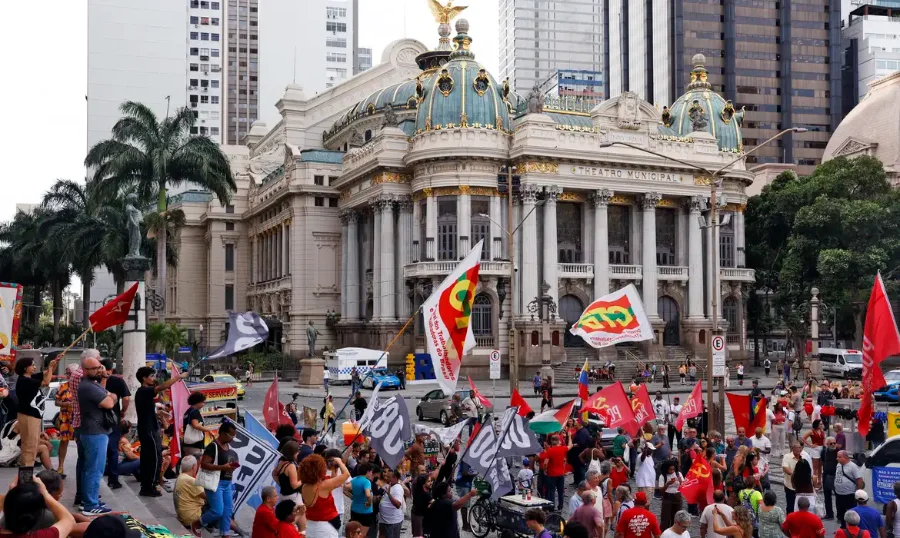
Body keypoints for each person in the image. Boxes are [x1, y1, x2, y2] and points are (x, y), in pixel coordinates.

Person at [134, 366, 186, 497]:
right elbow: (161, 387)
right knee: (155, 458)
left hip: (149, 428)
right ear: (144, 378)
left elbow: (147, 409)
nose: (153, 379)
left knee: (149, 458)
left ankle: (147, 485)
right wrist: (178, 377)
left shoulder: (143, 393)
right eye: (151, 376)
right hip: (148, 430)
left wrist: (158, 413)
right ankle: (150, 486)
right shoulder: (144, 391)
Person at [77, 354, 117, 516]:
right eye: (95, 368)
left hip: (93, 431)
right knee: (95, 469)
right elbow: (109, 401)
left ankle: (88, 500)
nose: (99, 370)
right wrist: (110, 397)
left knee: (90, 468)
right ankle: (90, 505)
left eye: (100, 367)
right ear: (85, 370)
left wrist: (109, 395)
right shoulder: (87, 386)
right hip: (94, 432)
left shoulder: (93, 384)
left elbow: (108, 395)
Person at [15, 356, 59, 480]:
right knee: (29, 447)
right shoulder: (25, 381)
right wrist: (50, 367)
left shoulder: (30, 378)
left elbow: (45, 373)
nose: (34, 367)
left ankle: (26, 478)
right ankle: (25, 480)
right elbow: (46, 382)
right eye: (32, 365)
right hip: (28, 417)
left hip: (33, 417)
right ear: (25, 368)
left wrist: (54, 363)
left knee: (33, 446)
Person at [199, 421, 241, 537]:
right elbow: (204, 464)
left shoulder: (228, 447)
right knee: (218, 511)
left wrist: (231, 467)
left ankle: (225, 534)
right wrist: (222, 467)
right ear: (222, 433)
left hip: (227, 482)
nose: (232, 438)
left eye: (234, 435)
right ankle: (198, 523)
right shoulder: (213, 446)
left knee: (227, 512)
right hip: (215, 483)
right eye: (230, 435)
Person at [0, 476, 76, 538]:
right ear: (38, 517)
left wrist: (11, 494)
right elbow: (69, 520)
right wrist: (45, 494)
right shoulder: (42, 535)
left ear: (4, 509)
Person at [300, 453, 350, 538]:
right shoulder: (323, 486)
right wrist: (340, 462)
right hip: (325, 529)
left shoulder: (305, 486)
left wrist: (334, 469)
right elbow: (346, 474)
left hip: (311, 526)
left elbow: (333, 482)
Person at [100, 359, 130, 490]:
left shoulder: (94, 381)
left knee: (99, 450)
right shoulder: (118, 381)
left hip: (98, 420)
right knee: (113, 450)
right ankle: (113, 479)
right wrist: (123, 411)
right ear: (111, 369)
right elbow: (127, 398)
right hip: (113, 420)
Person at [52, 366, 76, 479]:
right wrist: (65, 404)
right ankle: (60, 466)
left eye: (70, 373)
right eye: (67, 373)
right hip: (65, 417)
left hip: (77, 417)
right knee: (63, 441)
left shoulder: (81, 386)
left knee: (81, 442)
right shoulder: (63, 386)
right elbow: (56, 402)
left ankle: (82, 467)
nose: (68, 375)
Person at [538, 433, 572, 511]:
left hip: (552, 474)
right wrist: (569, 436)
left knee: (551, 491)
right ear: (558, 441)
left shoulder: (549, 451)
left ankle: (552, 507)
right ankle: (560, 506)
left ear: (551, 441)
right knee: (560, 491)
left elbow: (546, 463)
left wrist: (545, 470)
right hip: (560, 474)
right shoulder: (562, 448)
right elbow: (570, 445)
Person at [174, 455, 206, 534]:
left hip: (183, 515)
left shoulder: (180, 476)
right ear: (194, 467)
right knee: (218, 508)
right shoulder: (191, 480)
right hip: (191, 517)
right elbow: (208, 497)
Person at [834, 450, 865, 527]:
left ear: (845, 457)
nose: (837, 458)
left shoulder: (853, 466)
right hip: (839, 493)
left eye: (839, 457)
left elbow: (859, 481)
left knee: (851, 512)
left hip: (850, 494)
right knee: (841, 511)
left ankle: (852, 528)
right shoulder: (838, 465)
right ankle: (843, 527)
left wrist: (858, 494)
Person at [782, 443, 812, 515]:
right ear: (792, 449)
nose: (798, 449)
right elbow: (785, 468)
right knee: (790, 505)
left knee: (802, 505)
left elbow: (808, 469)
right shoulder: (787, 456)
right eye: (796, 448)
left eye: (799, 448)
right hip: (789, 485)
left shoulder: (804, 457)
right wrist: (795, 475)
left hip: (802, 488)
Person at [183, 392, 214, 459]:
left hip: (187, 444)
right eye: (203, 402)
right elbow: (195, 425)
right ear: (198, 402)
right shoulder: (195, 412)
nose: (204, 404)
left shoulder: (188, 411)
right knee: (194, 466)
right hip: (195, 445)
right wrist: (208, 430)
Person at [657, 461, 683, 529]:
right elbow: (661, 490)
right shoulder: (662, 476)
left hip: (677, 497)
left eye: (673, 469)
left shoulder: (678, 474)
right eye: (670, 469)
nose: (672, 471)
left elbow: (683, 485)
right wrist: (668, 484)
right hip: (667, 497)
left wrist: (680, 481)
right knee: (665, 517)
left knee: (676, 516)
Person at [455, 458, 477, 532]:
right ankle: (465, 525)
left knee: (466, 505)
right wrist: (474, 474)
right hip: (463, 483)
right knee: (464, 505)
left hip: (467, 483)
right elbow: (464, 472)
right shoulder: (466, 459)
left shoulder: (471, 459)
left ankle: (467, 523)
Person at [802, 419, 825, 489]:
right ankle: (814, 481)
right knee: (815, 467)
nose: (822, 425)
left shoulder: (822, 431)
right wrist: (810, 445)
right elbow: (803, 438)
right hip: (815, 449)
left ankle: (819, 481)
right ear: (817, 424)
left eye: (822, 424)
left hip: (821, 448)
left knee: (820, 466)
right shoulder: (811, 431)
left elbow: (823, 439)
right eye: (820, 424)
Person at [410, 468, 433, 538]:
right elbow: (434, 503)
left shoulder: (418, 489)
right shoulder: (425, 494)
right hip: (418, 516)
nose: (431, 482)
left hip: (417, 515)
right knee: (418, 536)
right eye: (429, 481)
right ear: (423, 484)